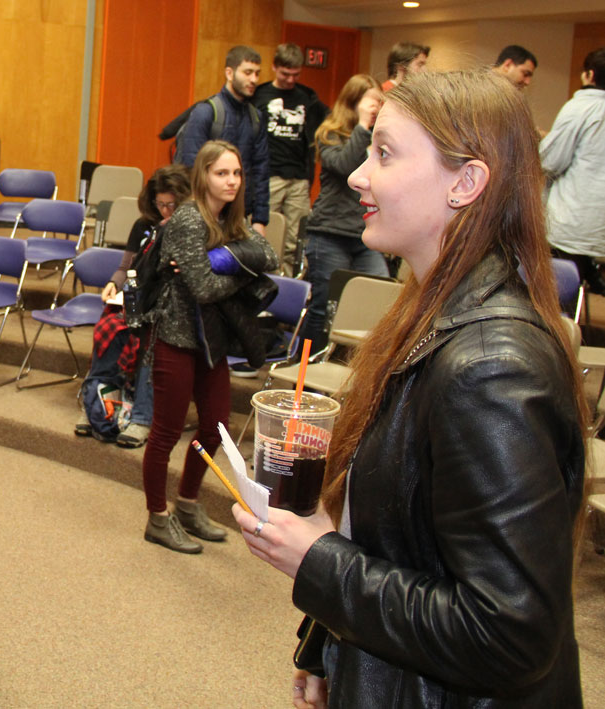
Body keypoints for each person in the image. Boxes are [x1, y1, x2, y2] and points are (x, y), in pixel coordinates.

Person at [233, 70, 586, 708]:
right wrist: (328, 638)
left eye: (386, 154)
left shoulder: (490, 367)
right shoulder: (432, 314)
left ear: (466, 182)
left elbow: (507, 634)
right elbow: (406, 541)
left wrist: (319, 563)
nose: (359, 175)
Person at [141, 140, 277, 554]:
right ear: (203, 176)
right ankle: (157, 517)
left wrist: (224, 259)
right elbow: (202, 287)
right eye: (222, 173)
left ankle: (187, 502)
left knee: (217, 424)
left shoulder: (230, 221)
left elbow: (268, 256)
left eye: (236, 173)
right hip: (176, 338)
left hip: (210, 341)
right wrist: (240, 271)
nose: (232, 181)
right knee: (165, 432)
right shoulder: (187, 220)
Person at [78, 164, 192, 448]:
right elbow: (126, 267)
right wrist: (114, 284)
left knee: (149, 342)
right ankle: (100, 406)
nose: (165, 210)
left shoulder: (190, 229)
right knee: (109, 330)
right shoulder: (143, 226)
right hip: (137, 300)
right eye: (160, 203)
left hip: (171, 311)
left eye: (172, 205)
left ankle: (141, 418)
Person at [300, 74, 388, 347]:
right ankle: (303, 373)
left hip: (365, 235)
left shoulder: (379, 139)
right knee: (325, 308)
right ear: (354, 101)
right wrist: (362, 126)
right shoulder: (329, 133)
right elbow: (345, 166)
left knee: (379, 295)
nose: (375, 107)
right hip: (329, 233)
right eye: (370, 101)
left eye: (378, 102)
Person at [169, 45, 270, 236]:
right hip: (204, 215)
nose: (254, 80)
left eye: (257, 73)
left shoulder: (256, 118)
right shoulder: (205, 112)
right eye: (247, 72)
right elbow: (191, 166)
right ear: (229, 73)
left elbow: (261, 171)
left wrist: (259, 220)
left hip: (238, 216)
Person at [254, 43, 328, 276]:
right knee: (267, 231)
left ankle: (289, 286)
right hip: (269, 175)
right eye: (285, 74)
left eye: (296, 75)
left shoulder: (307, 98)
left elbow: (329, 122)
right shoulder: (260, 95)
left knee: (295, 239)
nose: (290, 79)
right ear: (275, 67)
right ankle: (265, 280)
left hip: (298, 177)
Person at [541, 47, 605, 294]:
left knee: (554, 290)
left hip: (574, 223)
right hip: (598, 227)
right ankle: (592, 278)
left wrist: (544, 143)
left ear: (589, 75)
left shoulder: (580, 107)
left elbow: (550, 161)